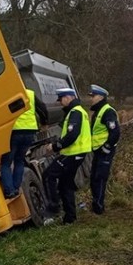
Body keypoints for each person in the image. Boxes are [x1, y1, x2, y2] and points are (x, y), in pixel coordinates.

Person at [42, 87, 92, 224]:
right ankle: (70, 217)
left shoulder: (75, 113)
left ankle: (53, 207)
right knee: (66, 185)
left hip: (72, 153)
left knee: (48, 175)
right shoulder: (78, 111)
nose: (60, 103)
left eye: (61, 99)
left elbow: (72, 135)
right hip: (76, 153)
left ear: (68, 97)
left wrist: (55, 146)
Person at [0, 88, 48, 198]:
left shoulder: (5, 93)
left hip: (14, 132)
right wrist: (45, 123)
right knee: (20, 160)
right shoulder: (30, 93)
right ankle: (17, 187)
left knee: (6, 163)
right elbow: (43, 109)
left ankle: (10, 190)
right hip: (30, 131)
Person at [87, 84, 121, 214]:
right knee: (94, 178)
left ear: (101, 97)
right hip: (98, 151)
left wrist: (106, 147)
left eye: (93, 96)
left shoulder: (107, 111)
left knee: (100, 178)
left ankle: (99, 207)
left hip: (104, 151)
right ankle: (96, 204)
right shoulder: (98, 111)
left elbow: (115, 132)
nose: (91, 99)